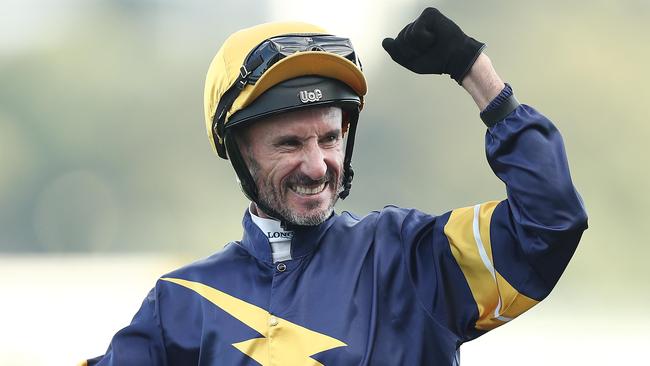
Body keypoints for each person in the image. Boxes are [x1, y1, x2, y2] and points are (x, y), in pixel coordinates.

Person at [84, 7, 587, 365]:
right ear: (238, 151)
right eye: (288, 144)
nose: (318, 165)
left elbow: (550, 222)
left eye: (330, 137)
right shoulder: (180, 304)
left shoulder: (410, 257)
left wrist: (480, 78)